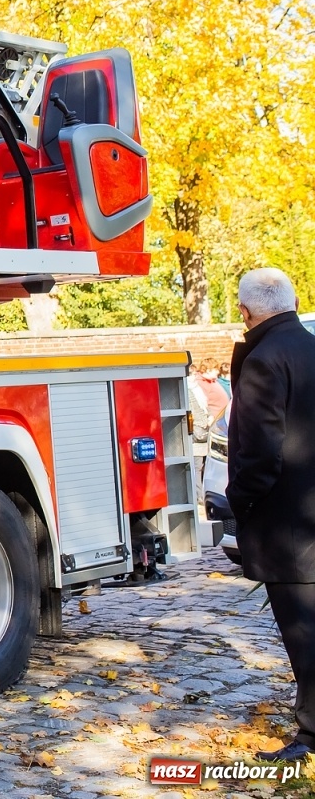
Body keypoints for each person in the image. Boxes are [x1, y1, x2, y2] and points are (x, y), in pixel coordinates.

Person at [226, 267, 315, 761]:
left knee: (305, 635)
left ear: (245, 311)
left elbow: (260, 455)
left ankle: (311, 737)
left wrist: (238, 503)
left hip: (288, 529)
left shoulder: (263, 360)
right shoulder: (310, 347)